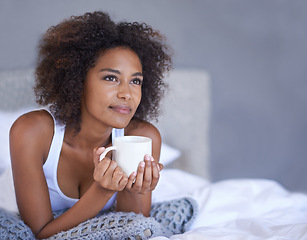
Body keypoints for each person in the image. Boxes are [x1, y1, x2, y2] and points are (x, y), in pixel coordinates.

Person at [9, 11, 172, 239]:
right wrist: (102, 191)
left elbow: (131, 229)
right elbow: (41, 234)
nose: (127, 93)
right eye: (111, 78)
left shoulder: (142, 137)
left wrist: (136, 190)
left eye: (135, 81)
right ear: (77, 79)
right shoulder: (32, 132)